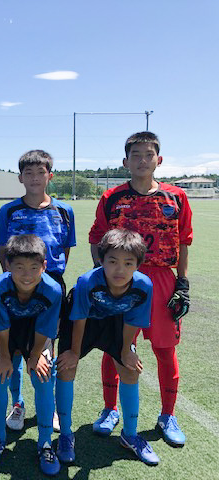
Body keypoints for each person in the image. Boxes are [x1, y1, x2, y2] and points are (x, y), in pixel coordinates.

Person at [89, 132, 193, 447]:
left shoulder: (176, 196)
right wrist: (102, 276)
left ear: (159, 160)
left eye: (148, 155)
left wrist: (182, 282)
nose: (142, 160)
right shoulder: (112, 197)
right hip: (122, 280)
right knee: (116, 347)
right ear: (126, 161)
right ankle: (110, 409)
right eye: (136, 155)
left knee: (165, 350)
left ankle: (167, 415)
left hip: (162, 280)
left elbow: (184, 240)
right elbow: (97, 237)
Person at [55, 229, 159, 466]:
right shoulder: (87, 282)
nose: (119, 269)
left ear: (138, 265)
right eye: (112, 261)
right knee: (65, 368)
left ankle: (130, 435)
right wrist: (74, 352)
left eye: (128, 263)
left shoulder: (143, 285)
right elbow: (79, 318)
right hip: (85, 324)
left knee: (130, 370)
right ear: (101, 260)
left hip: (117, 322)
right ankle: (66, 435)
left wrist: (126, 351)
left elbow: (133, 321)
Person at [0, 149, 75, 432]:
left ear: (50, 176)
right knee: (15, 348)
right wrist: (14, 280)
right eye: (29, 173)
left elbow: (64, 249)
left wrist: (49, 277)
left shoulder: (64, 211)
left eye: (41, 172)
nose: (35, 178)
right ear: (20, 178)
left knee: (46, 347)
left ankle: (48, 406)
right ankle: (17, 403)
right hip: (16, 285)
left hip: (50, 286)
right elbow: (2, 250)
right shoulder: (9, 211)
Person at [0, 234, 61, 476]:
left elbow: (46, 327)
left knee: (43, 378)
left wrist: (35, 355)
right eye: (19, 267)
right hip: (6, 333)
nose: (27, 275)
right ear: (7, 265)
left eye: (34, 268)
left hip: (36, 334)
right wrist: (4, 356)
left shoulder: (53, 289)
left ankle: (45, 443)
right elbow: (0, 324)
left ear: (44, 266)